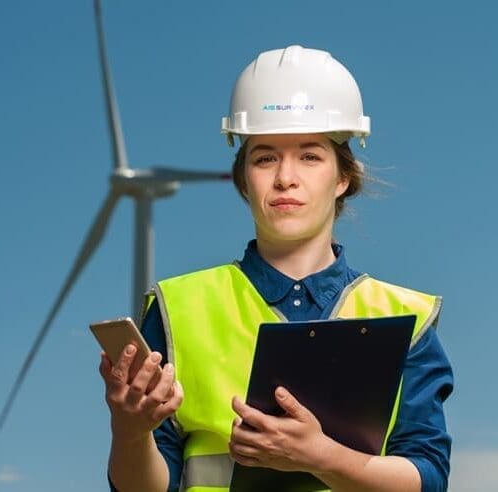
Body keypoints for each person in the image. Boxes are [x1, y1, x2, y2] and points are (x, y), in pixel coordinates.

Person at [99, 45, 453, 492]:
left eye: (310, 156)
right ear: (243, 177)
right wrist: (128, 432)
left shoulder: (405, 318)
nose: (286, 176)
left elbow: (428, 479)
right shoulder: (177, 309)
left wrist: (322, 457)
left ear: (343, 177)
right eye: (265, 157)